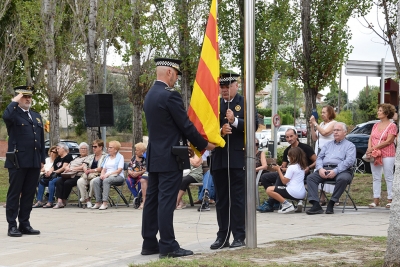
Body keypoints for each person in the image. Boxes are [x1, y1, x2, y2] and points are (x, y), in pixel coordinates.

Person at [142, 57, 215, 259]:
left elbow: (167, 128)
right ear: (170, 73)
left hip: (155, 156)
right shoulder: (169, 96)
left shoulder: (150, 95)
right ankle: (168, 244)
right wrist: (203, 145)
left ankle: (149, 242)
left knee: (152, 201)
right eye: (175, 75)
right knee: (166, 200)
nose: (175, 80)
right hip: (169, 157)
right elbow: (185, 125)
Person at [210, 72, 258, 250]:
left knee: (237, 199)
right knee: (222, 200)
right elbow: (207, 129)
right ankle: (222, 236)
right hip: (220, 159)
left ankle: (239, 235)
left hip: (238, 159)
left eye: (227, 87)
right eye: (221, 87)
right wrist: (220, 131)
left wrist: (235, 121)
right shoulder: (214, 104)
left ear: (236, 85)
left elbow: (253, 126)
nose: (224, 90)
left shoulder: (244, 102)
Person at [3, 86, 46, 237]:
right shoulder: (13, 115)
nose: (28, 99)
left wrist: (42, 159)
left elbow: (40, 139)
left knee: (29, 194)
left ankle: (25, 224)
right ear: (18, 98)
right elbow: (6, 116)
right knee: (15, 193)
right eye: (24, 96)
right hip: (18, 160)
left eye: (29, 97)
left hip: (34, 161)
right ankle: (12, 225)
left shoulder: (36, 116)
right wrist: (14, 100)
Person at [257, 128, 316, 213]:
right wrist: (279, 168)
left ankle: (271, 203)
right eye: (287, 137)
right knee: (265, 177)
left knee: (280, 177)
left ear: (296, 136)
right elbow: (284, 166)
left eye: (291, 136)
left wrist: (308, 168)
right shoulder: (287, 150)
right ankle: (277, 200)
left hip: (301, 173)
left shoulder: (305, 148)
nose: (289, 139)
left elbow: (316, 161)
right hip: (288, 172)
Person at [306, 122, 356, 215]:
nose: (335, 132)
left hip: (342, 171)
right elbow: (319, 158)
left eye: (338, 130)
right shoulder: (327, 145)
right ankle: (316, 205)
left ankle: (332, 203)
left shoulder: (350, 146)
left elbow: (349, 161)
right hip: (325, 169)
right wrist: (320, 168)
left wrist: (336, 171)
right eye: (334, 130)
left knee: (343, 179)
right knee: (311, 178)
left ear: (345, 132)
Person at [366, 103, 397, 209]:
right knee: (376, 177)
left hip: (388, 154)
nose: (378, 112)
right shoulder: (375, 125)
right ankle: (376, 199)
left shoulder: (392, 125)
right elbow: (371, 138)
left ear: (386, 113)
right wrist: (370, 148)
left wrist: (374, 148)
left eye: (380, 110)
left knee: (388, 176)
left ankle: (390, 199)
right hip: (375, 154)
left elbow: (389, 141)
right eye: (378, 110)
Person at [310, 105, 336, 205]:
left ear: (330, 113)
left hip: (329, 150)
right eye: (321, 112)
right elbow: (315, 138)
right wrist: (312, 127)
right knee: (319, 170)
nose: (322, 114)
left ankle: (334, 196)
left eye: (324, 112)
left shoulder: (333, 123)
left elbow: (325, 133)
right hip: (319, 150)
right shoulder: (321, 123)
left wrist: (315, 123)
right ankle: (322, 195)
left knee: (328, 169)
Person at [268, 147, 307, 213]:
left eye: (289, 156)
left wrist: (278, 170)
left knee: (269, 189)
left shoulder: (291, 167)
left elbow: (284, 181)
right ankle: (299, 201)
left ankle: (287, 204)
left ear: (293, 157)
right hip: (302, 193)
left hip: (292, 192)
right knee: (281, 188)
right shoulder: (302, 167)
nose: (288, 157)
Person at [35, 143, 73, 208]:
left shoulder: (68, 157)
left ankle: (50, 201)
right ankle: (39, 201)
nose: (57, 150)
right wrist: (49, 172)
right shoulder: (58, 158)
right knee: (42, 181)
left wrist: (54, 172)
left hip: (62, 176)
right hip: (54, 175)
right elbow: (53, 167)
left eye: (58, 149)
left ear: (63, 149)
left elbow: (64, 167)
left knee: (51, 182)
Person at [53, 142, 89, 209]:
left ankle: (64, 200)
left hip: (79, 175)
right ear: (79, 150)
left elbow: (83, 167)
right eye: (81, 149)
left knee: (67, 183)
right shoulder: (76, 158)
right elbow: (69, 164)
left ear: (87, 150)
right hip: (69, 174)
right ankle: (59, 201)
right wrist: (67, 168)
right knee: (59, 181)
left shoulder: (88, 158)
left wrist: (72, 169)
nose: (83, 150)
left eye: (85, 149)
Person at [91, 140, 125, 210]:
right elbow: (103, 168)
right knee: (95, 180)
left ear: (115, 150)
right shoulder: (107, 157)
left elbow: (119, 170)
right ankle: (98, 202)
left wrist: (108, 174)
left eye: (110, 147)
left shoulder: (120, 157)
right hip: (107, 176)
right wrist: (102, 175)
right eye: (108, 147)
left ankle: (105, 203)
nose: (108, 149)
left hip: (118, 176)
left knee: (106, 181)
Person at [77, 139, 107, 208]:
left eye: (95, 147)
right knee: (80, 181)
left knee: (93, 182)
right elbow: (84, 164)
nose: (93, 148)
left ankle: (89, 197)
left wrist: (92, 170)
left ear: (101, 147)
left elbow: (103, 168)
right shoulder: (91, 156)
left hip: (99, 175)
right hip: (88, 175)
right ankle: (87, 201)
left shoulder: (105, 156)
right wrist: (86, 170)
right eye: (93, 146)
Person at [126, 142, 147, 209]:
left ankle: (139, 199)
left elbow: (146, 169)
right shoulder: (133, 158)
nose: (135, 151)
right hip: (133, 175)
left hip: (141, 175)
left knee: (142, 181)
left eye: (137, 150)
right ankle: (137, 197)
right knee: (128, 181)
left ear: (142, 151)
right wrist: (130, 172)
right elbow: (129, 167)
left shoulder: (145, 158)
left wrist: (138, 173)